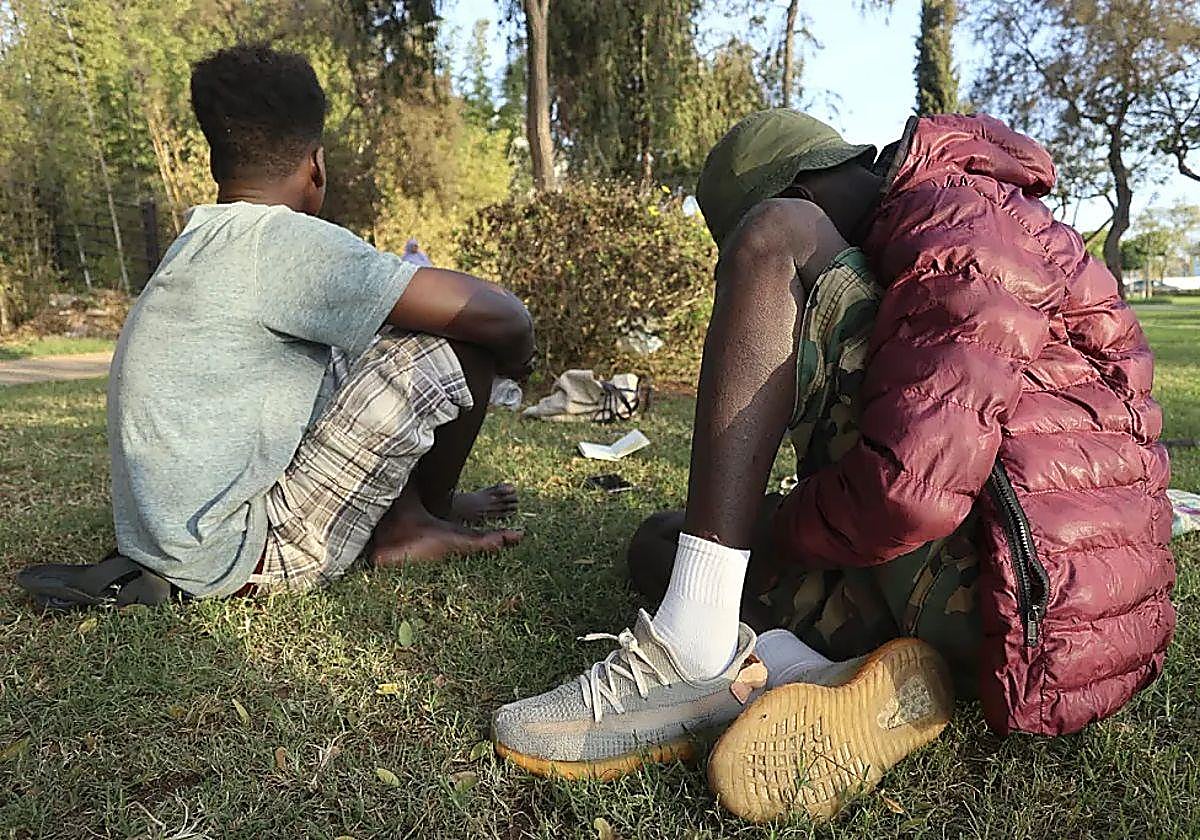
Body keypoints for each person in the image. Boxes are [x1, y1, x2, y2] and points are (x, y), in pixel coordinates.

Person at [493, 110, 1173, 823]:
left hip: (1015, 601)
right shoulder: (989, 220)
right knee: (660, 542)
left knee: (777, 239)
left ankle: (691, 652)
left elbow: (909, 493)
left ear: (807, 187)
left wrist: (777, 534)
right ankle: (808, 673)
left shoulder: (955, 220)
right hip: (1066, 628)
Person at [107, 44, 530, 599]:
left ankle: (414, 513)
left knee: (357, 337)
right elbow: (501, 316)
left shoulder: (199, 239)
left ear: (217, 164)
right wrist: (518, 361)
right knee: (459, 345)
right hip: (242, 553)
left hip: (174, 540)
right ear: (316, 165)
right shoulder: (283, 242)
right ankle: (420, 519)